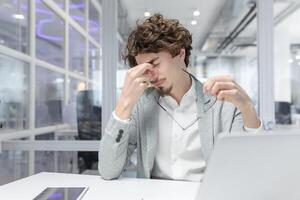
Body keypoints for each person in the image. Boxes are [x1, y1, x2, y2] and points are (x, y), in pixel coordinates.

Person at [98, 14, 261, 181]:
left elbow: (249, 166)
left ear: (181, 54)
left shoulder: (221, 101)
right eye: (144, 69)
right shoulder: (141, 105)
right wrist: (124, 104)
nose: (151, 75)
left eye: (155, 64)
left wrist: (248, 108)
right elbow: (108, 170)